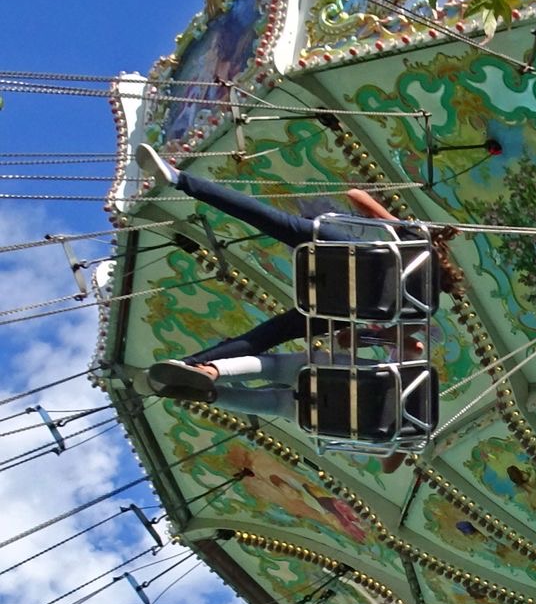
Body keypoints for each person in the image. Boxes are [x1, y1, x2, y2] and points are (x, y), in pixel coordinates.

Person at [134, 143, 451, 445]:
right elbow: (357, 339)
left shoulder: (417, 243)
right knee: (266, 337)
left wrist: (398, 224)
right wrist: (374, 336)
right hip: (341, 304)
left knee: (271, 220)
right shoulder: (418, 308)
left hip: (344, 256)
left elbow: (355, 196)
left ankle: (179, 179)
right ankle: (188, 366)